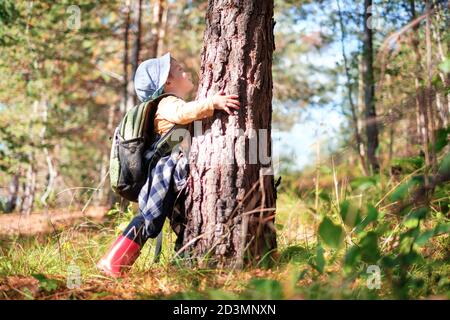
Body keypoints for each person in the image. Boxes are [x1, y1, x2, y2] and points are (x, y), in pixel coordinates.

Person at [97, 52, 240, 277]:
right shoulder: (168, 103)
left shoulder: (167, 104)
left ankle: (182, 260)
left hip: (169, 174)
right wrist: (212, 102)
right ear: (168, 82)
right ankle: (114, 261)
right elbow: (184, 113)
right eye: (180, 68)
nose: (187, 71)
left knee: (177, 217)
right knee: (149, 216)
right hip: (165, 172)